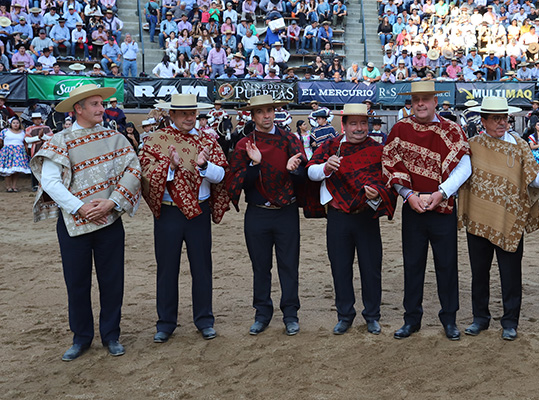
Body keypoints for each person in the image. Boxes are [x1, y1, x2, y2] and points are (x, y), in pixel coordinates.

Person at [29, 84, 141, 361]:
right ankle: (81, 337)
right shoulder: (60, 141)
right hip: (73, 224)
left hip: (109, 220)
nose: (101, 109)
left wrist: (112, 202)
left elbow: (134, 169)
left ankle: (111, 335)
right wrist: (80, 208)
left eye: (101, 104)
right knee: (77, 283)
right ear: (78, 108)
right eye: (94, 104)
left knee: (112, 281)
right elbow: (51, 183)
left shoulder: (115, 139)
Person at [382, 81, 471, 340]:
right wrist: (407, 195)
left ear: (435, 101)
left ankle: (450, 319)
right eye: (415, 99)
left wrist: (441, 193)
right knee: (413, 265)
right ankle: (412, 319)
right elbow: (390, 165)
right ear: (410, 102)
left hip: (443, 208)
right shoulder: (399, 130)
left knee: (447, 265)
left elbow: (464, 167)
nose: (420, 103)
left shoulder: (453, 130)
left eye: (425, 99)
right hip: (413, 208)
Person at [458, 97, 539, 340]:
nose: (502, 123)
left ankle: (510, 321)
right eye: (496, 118)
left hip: (510, 220)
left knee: (510, 273)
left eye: (504, 118)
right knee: (479, 272)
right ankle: (480, 318)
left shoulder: (520, 146)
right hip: (479, 218)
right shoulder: (472, 145)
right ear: (483, 121)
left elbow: (534, 179)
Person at [138, 94, 231, 343]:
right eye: (184, 114)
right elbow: (145, 172)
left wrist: (203, 166)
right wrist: (169, 167)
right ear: (172, 115)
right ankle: (165, 323)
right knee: (167, 269)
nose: (190, 118)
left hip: (198, 213)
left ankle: (204, 320)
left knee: (202, 268)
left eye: (193, 114)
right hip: (169, 212)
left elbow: (221, 175)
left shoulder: (208, 141)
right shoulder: (156, 140)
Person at [305, 103, 396, 335]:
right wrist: (325, 167)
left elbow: (386, 183)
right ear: (343, 125)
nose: (359, 128)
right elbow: (310, 171)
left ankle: (372, 316)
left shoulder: (377, 149)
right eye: (353, 123)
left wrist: (376, 196)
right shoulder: (330, 146)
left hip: (366, 216)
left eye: (363, 123)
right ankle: (345, 315)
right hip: (338, 217)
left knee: (371, 267)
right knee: (340, 267)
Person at [224, 95, 307, 337]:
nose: (267, 115)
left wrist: (296, 169)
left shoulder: (290, 139)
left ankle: (291, 314)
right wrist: (255, 165)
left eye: (270, 110)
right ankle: (262, 314)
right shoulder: (244, 145)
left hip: (286, 212)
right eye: (260, 112)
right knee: (261, 267)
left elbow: (304, 175)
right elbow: (236, 183)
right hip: (258, 213)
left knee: (289, 265)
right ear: (253, 116)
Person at [0, 116, 31, 192]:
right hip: (8, 153)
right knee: (8, 171)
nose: (15, 124)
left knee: (16, 171)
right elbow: (1, 142)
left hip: (19, 153)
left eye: (17, 123)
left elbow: (25, 142)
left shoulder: (23, 132)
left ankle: (14, 186)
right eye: (14, 123)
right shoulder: (5, 131)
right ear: (11, 124)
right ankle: (8, 187)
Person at [24, 112, 54, 191]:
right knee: (34, 167)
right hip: (34, 150)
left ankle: (44, 184)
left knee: (45, 167)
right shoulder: (29, 128)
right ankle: (35, 185)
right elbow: (27, 140)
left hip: (45, 150)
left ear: (41, 119)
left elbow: (51, 138)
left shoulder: (47, 128)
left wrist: (42, 136)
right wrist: (39, 137)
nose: (37, 121)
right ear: (33, 120)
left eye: (39, 119)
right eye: (35, 119)